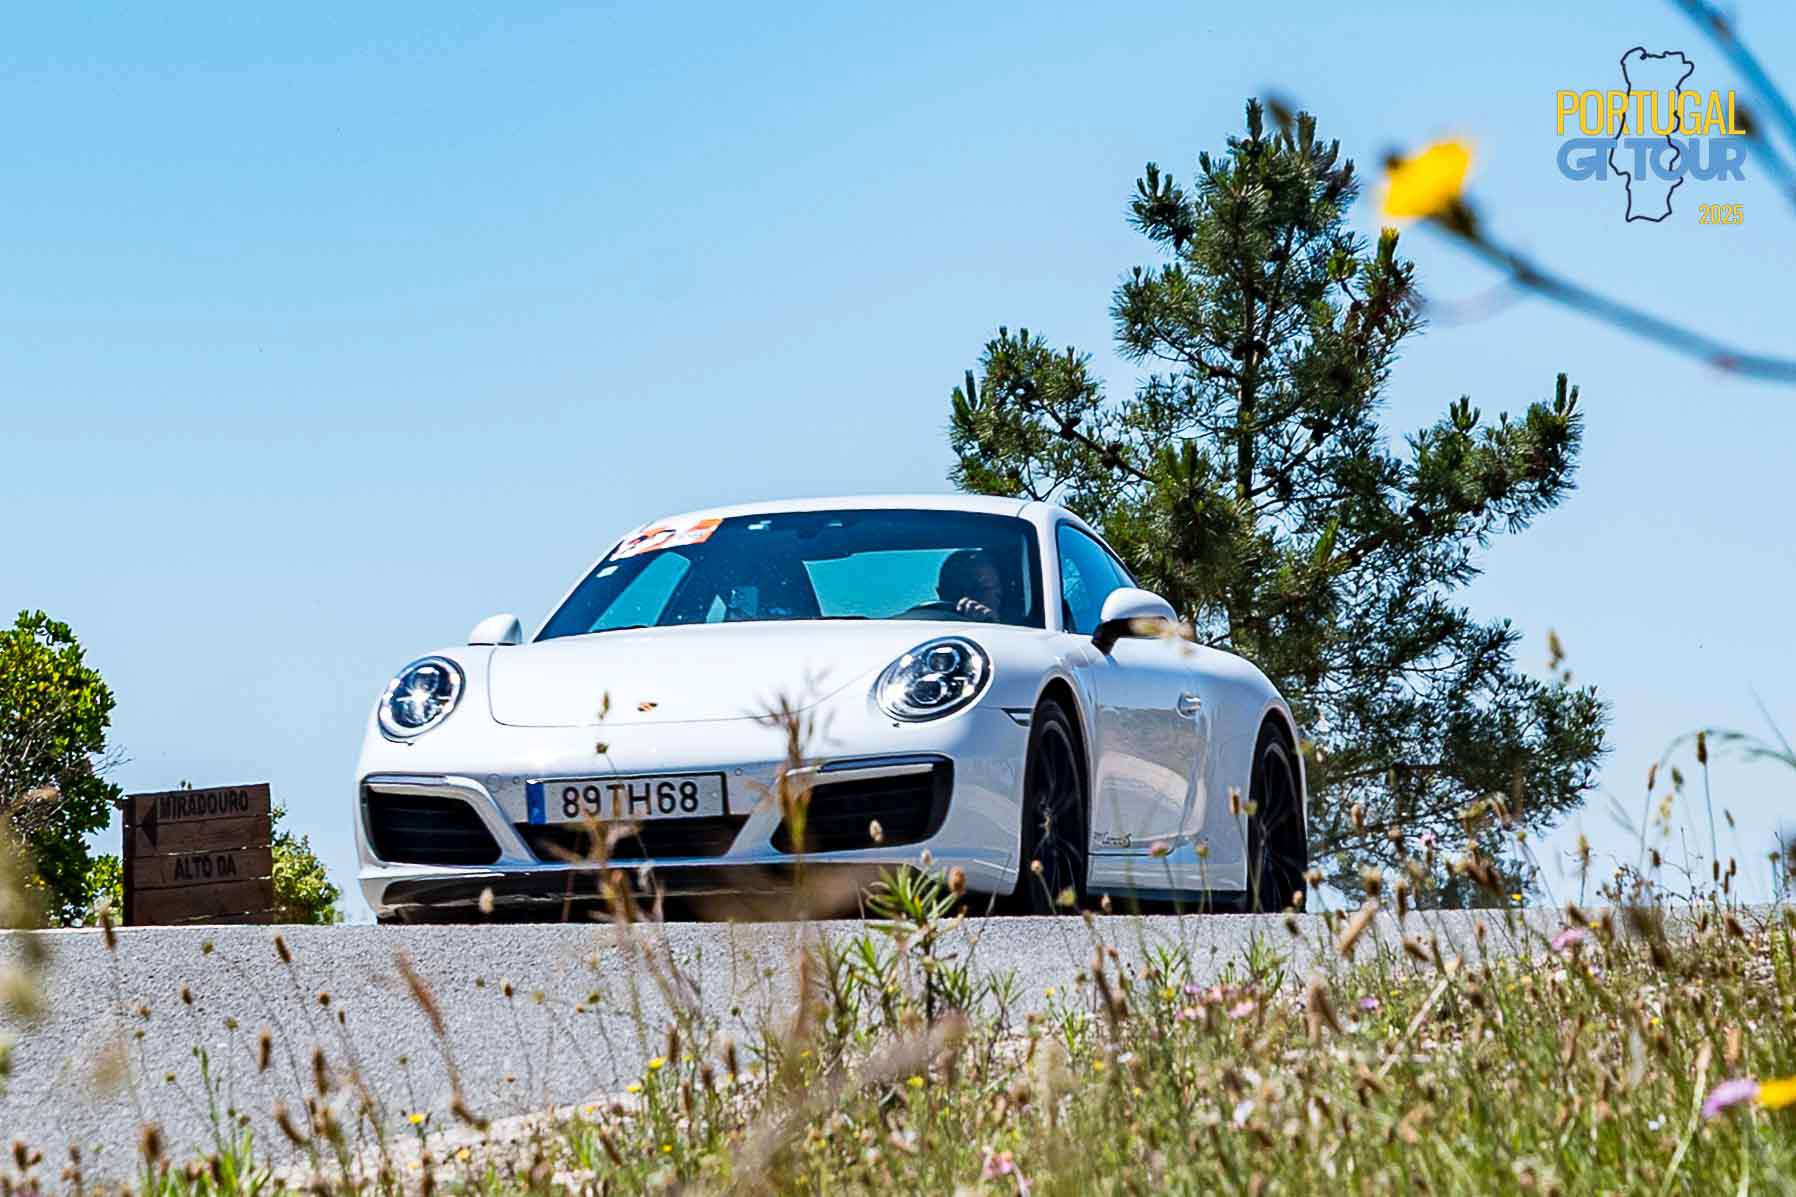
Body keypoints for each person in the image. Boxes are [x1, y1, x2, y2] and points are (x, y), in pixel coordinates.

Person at [936, 548, 1003, 622]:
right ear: (941, 594)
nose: (965, 600)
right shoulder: (926, 629)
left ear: (998, 593)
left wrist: (991, 623)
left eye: (977, 590)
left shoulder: (1013, 632)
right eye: (955, 591)